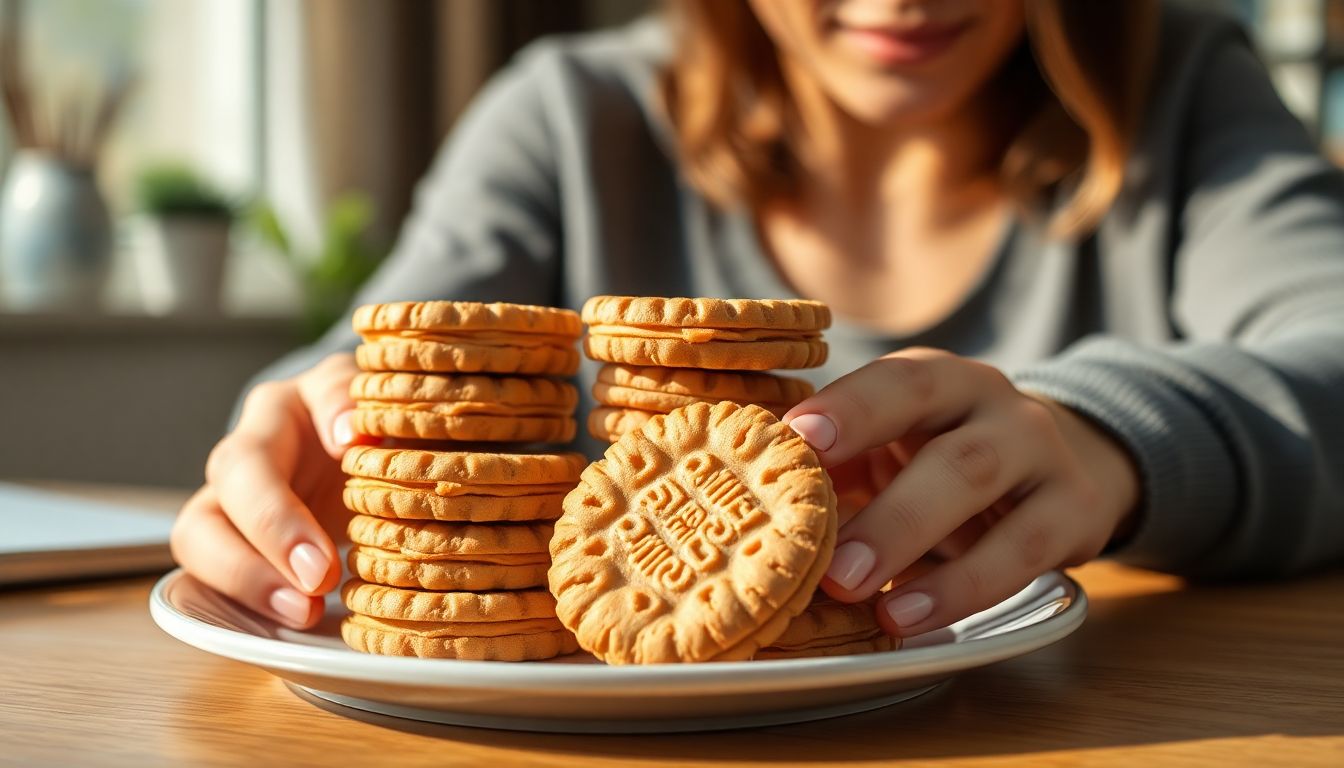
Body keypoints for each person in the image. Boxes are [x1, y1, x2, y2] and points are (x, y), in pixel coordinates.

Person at [171, 0, 1344, 637]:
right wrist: (312, 437)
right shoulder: (572, 121)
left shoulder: (1184, 93)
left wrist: (1112, 436)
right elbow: (379, 364)